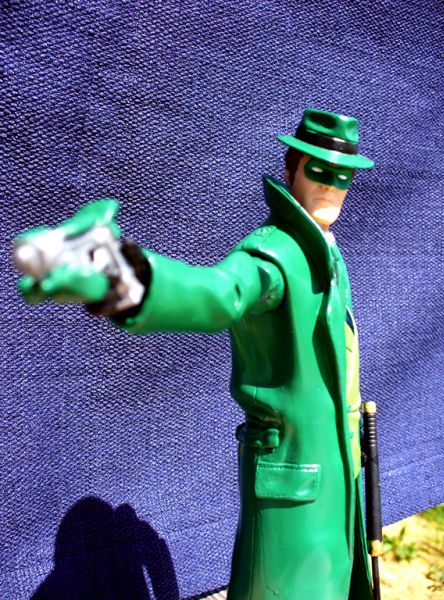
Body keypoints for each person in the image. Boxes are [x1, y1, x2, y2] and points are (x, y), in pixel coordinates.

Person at [16, 108, 375, 599]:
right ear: (291, 168)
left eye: (344, 176)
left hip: (337, 474)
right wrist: (128, 279)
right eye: (320, 171)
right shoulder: (273, 256)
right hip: (294, 481)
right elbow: (219, 293)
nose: (332, 187)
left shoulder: (326, 253)